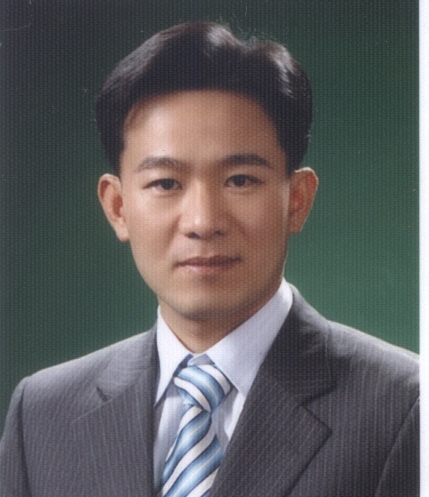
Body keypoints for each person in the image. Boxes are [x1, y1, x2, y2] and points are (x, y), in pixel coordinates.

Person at [0, 22, 418, 497]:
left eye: (240, 180)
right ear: (117, 207)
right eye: (165, 183)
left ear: (297, 200)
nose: (202, 221)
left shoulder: (404, 407)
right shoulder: (42, 414)